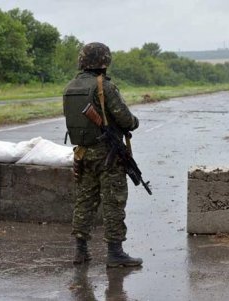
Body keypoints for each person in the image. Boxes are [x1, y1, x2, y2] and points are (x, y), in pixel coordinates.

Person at [63, 42, 142, 268]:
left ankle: (80, 251)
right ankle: (115, 253)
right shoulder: (104, 87)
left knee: (84, 201)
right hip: (108, 155)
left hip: (83, 153)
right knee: (113, 202)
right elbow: (126, 119)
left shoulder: (70, 87)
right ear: (104, 62)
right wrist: (134, 122)